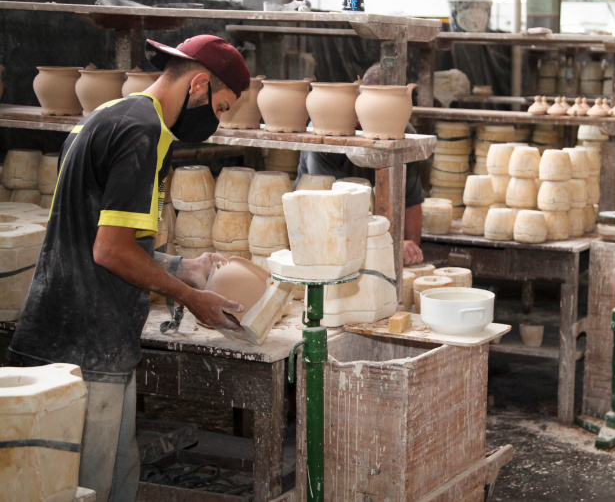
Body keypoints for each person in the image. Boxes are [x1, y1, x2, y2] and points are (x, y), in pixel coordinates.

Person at [8, 34, 251, 501]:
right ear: (198, 85)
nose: (216, 124)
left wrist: (183, 267)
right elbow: (110, 252)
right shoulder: (146, 132)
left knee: (110, 478)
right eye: (220, 108)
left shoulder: (105, 115)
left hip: (57, 331)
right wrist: (191, 298)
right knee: (85, 489)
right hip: (86, 343)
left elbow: (90, 238)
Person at [296, 63, 425, 265]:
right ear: (359, 96)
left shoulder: (404, 133)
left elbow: (411, 201)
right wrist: (390, 244)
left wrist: (409, 251)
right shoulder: (327, 130)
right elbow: (331, 208)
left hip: (369, 228)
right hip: (319, 227)